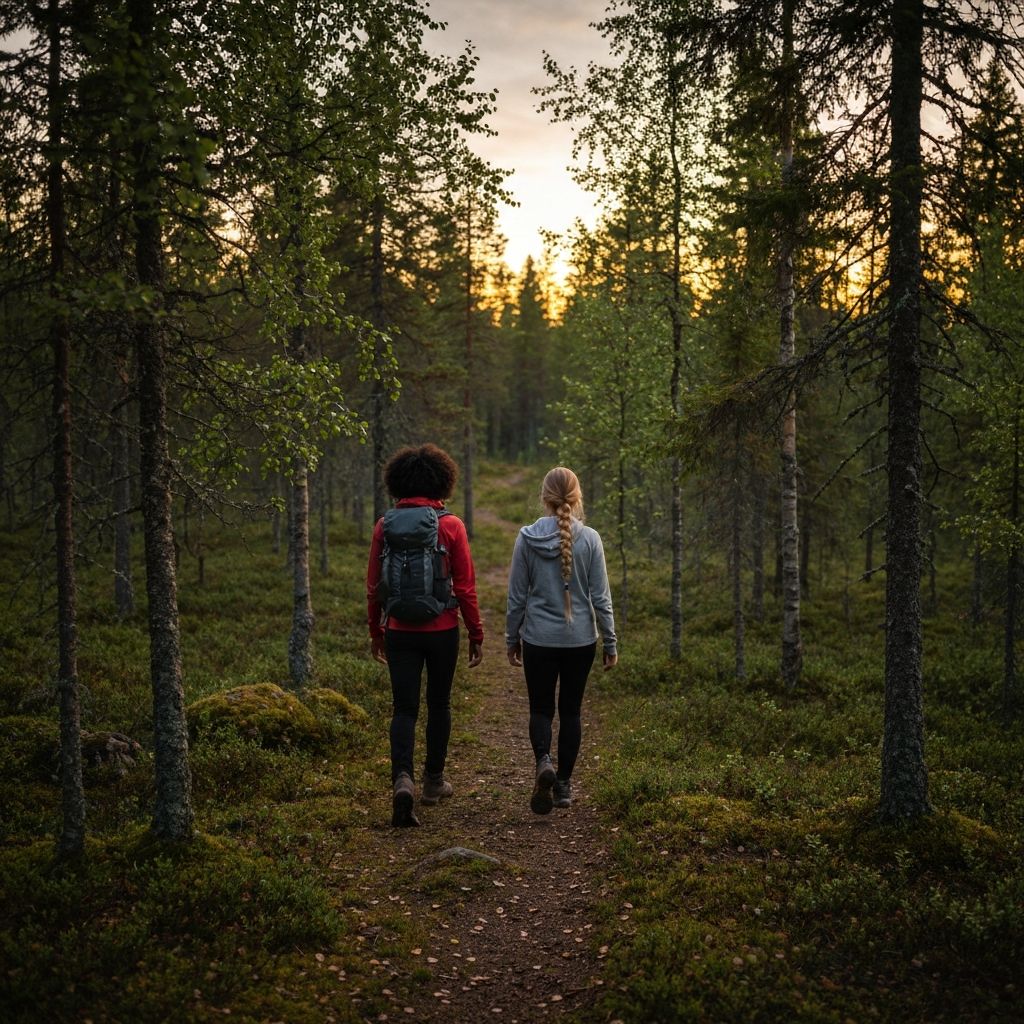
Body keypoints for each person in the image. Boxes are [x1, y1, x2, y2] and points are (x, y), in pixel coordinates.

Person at [366, 444, 484, 827]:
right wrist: (476, 632)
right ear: (441, 481)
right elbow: (465, 586)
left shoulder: (384, 526)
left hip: (399, 630)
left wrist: (376, 631)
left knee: (403, 709)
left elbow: (373, 588)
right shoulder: (452, 526)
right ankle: (433, 782)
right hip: (442, 629)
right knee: (439, 704)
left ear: (398, 482)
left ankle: (403, 780)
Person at [505, 466, 617, 814]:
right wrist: (610, 642)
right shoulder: (591, 539)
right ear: (577, 497)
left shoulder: (527, 537)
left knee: (540, 708)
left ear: (545, 497)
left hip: (538, 639)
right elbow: (601, 597)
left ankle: (544, 761)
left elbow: (516, 596)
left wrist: (512, 637)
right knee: (571, 711)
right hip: (580, 640)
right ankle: (564, 785)